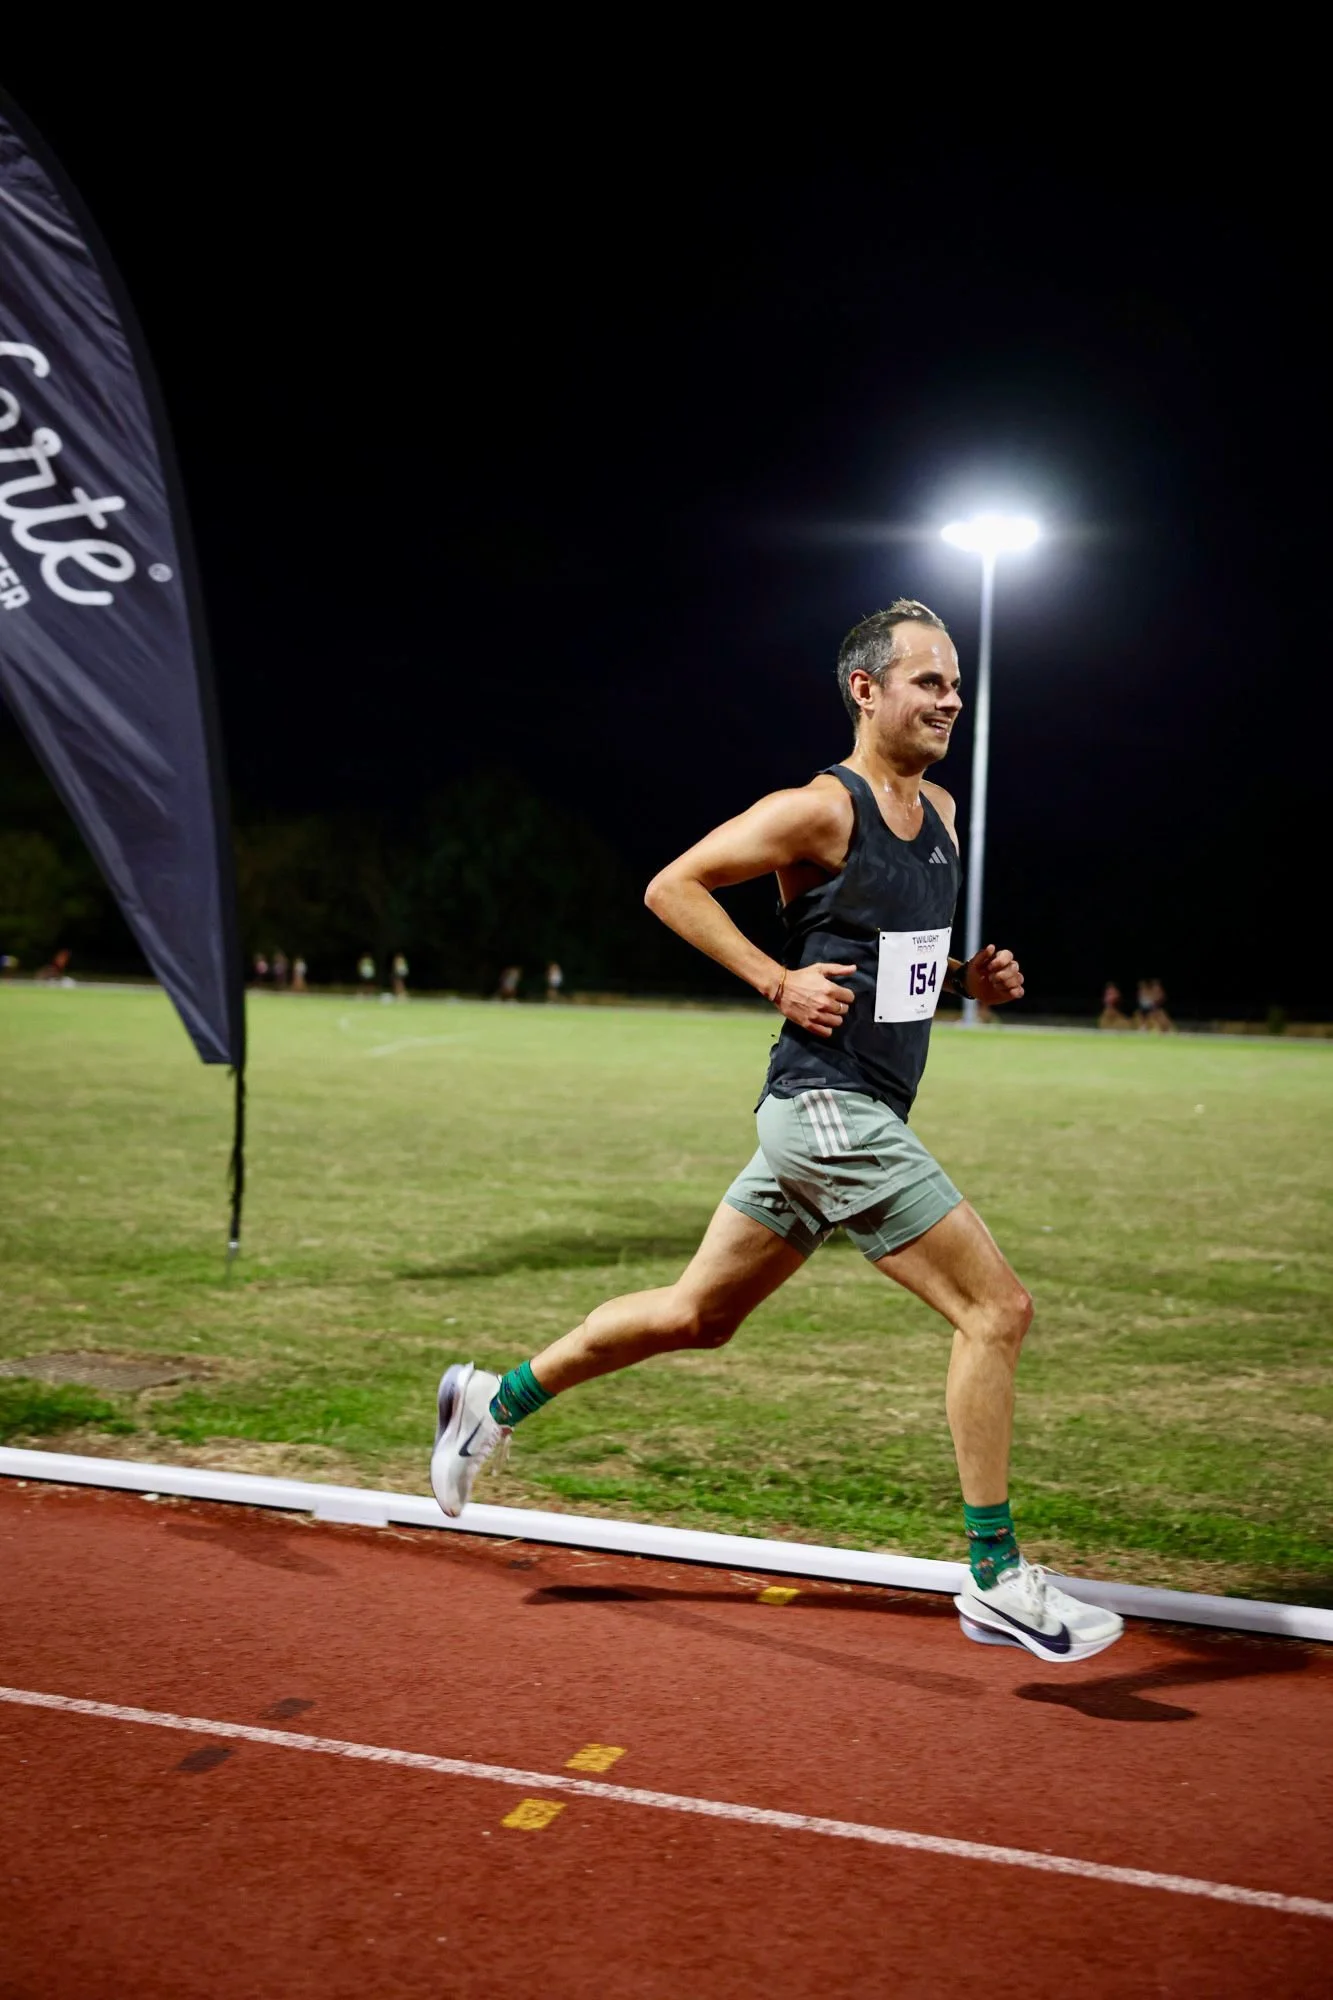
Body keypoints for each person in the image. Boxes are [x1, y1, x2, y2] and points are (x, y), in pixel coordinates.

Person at [431, 601, 1123, 1665]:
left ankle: (493, 1397)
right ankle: (994, 1575)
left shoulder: (936, 809)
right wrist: (773, 977)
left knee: (696, 1314)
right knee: (997, 1308)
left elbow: (886, 970)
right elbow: (673, 885)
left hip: (844, 1114)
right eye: (926, 681)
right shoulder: (816, 808)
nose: (950, 698)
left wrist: (960, 978)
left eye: (953, 683)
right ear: (865, 689)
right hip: (824, 1107)